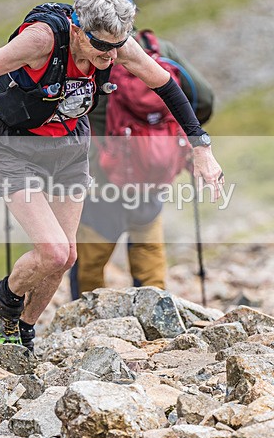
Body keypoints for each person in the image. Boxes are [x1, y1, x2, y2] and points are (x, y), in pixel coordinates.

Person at [0, 0, 223, 354]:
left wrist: (201, 147)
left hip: (68, 146)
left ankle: (24, 330)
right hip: (11, 145)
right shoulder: (41, 40)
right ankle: (4, 300)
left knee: (67, 256)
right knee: (54, 251)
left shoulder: (116, 45)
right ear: (78, 29)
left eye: (116, 47)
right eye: (102, 47)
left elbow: (167, 87)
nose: (110, 58)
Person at [70, 29, 216, 299]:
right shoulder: (159, 48)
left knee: (91, 260)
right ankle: (154, 312)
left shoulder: (91, 52)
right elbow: (204, 98)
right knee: (149, 250)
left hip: (103, 176)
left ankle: (85, 316)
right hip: (153, 172)